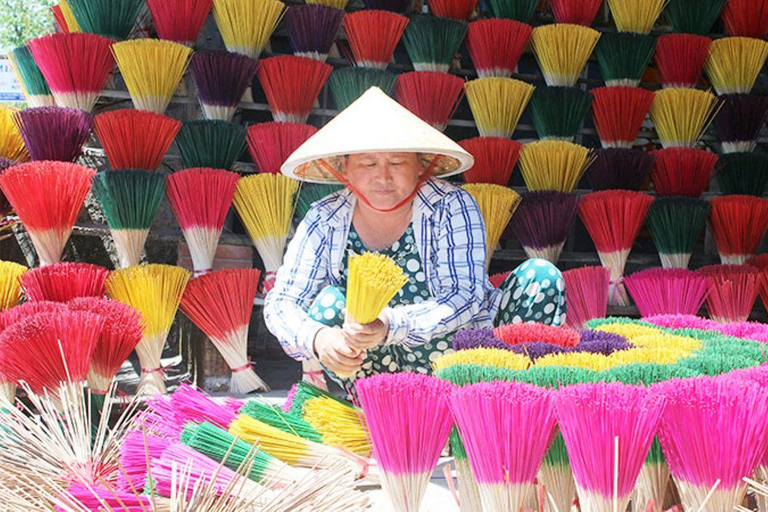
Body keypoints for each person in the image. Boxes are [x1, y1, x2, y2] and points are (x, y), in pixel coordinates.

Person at [264, 87, 566, 387]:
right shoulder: (325, 219)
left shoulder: (450, 206)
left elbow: (465, 295)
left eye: (397, 163)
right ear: (345, 168)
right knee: (328, 305)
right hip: (374, 371)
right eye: (368, 164)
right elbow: (281, 302)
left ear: (422, 166)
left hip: (463, 361)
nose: (383, 177)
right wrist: (318, 338)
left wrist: (392, 325)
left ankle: (502, 406)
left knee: (541, 277)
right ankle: (376, 409)